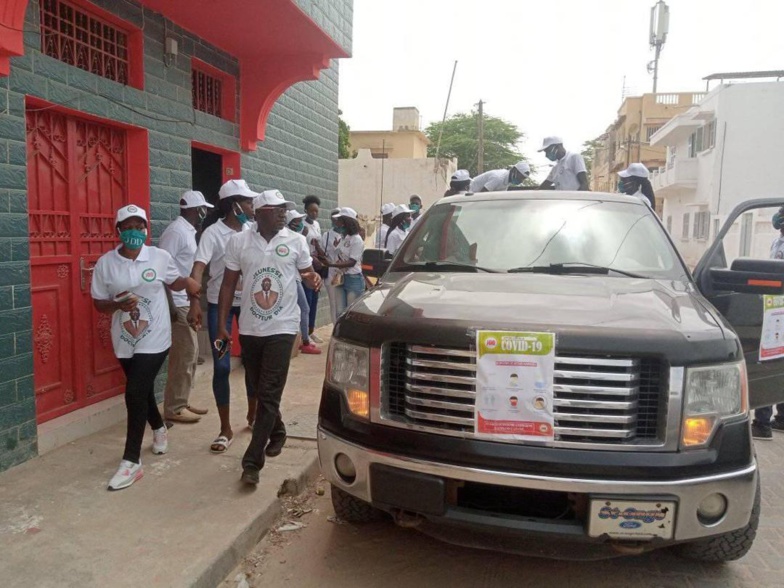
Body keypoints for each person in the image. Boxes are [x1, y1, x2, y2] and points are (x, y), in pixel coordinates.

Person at [91, 204, 200, 491]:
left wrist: (192, 289)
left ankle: (131, 461)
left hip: (157, 335)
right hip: (125, 337)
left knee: (135, 390)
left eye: (140, 227)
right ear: (118, 232)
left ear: (146, 230)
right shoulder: (106, 263)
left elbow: (175, 281)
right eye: (128, 227)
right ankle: (160, 428)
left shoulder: (159, 257)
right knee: (141, 390)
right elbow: (99, 303)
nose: (135, 232)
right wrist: (117, 304)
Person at [216, 189, 322, 484]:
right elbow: (227, 285)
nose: (282, 214)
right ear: (259, 212)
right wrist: (223, 324)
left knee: (270, 390)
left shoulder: (296, 240)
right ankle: (278, 432)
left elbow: (307, 274)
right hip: (250, 327)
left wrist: (313, 278)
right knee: (259, 388)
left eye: (284, 210)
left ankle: (252, 461)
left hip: (283, 327)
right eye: (276, 210)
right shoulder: (238, 242)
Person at [187, 179, 256, 454]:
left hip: (250, 308)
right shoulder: (212, 235)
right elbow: (198, 269)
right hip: (221, 310)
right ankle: (225, 428)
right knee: (223, 365)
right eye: (249, 202)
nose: (253, 207)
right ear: (234, 205)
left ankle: (253, 415)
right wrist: (195, 302)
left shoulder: (253, 232)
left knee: (252, 361)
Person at [159, 190, 212, 425]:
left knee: (191, 355)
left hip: (187, 301)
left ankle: (183, 400)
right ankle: (174, 407)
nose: (205, 213)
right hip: (177, 301)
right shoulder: (176, 232)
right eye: (202, 209)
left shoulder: (189, 231)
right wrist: (170, 304)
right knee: (185, 353)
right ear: (192, 209)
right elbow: (163, 269)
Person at [752, 206, 784, 440]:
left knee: (771, 362)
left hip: (779, 312)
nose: (778, 217)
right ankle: (779, 418)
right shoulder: (777, 241)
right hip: (775, 309)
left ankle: (762, 423)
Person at [286, 209, 322, 354]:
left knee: (304, 308)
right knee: (303, 308)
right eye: (296, 221)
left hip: (297, 278)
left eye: (300, 221)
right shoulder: (292, 238)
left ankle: (304, 339)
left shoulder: (297, 238)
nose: (300, 224)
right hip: (292, 279)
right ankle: (304, 340)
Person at [327, 207, 365, 316]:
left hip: (354, 279)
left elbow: (352, 262)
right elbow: (341, 254)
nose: (338, 223)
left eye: (340, 220)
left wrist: (331, 264)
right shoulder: (344, 238)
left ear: (347, 222)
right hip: (342, 277)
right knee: (340, 312)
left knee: (351, 312)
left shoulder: (357, 239)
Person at [302, 195, 323, 343]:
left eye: (316, 211)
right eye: (312, 211)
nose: (314, 214)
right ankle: (305, 334)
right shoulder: (302, 225)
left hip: (316, 265)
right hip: (307, 264)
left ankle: (311, 329)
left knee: (315, 299)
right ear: (306, 210)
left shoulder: (316, 224)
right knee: (307, 299)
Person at [319, 208, 343, 324]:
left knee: (343, 303)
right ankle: (335, 327)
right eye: (334, 219)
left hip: (345, 272)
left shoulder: (346, 235)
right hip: (331, 274)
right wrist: (334, 248)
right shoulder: (327, 235)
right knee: (333, 303)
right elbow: (323, 254)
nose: (336, 221)